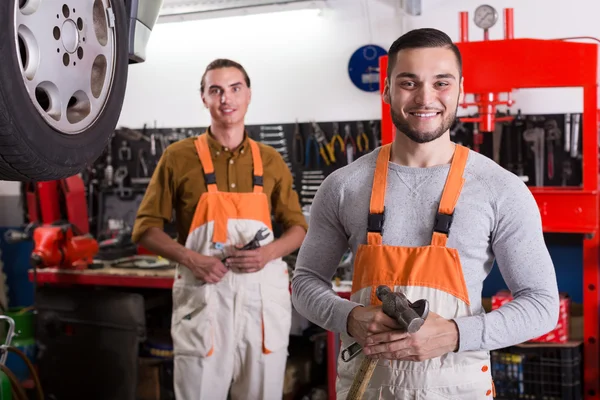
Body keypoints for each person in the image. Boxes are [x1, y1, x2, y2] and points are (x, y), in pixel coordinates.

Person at [291, 28, 560, 399]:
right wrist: (349, 318)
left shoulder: (500, 189)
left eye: (441, 83)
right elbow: (304, 283)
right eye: (408, 82)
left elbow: (541, 304)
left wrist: (454, 334)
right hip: (368, 388)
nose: (425, 97)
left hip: (457, 387)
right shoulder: (343, 186)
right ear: (386, 89)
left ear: (461, 90)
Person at [132, 58, 307, 399]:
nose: (226, 98)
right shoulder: (177, 157)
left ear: (248, 95)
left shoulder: (271, 160)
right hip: (205, 300)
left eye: (234, 88)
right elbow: (145, 228)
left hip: (261, 303)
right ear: (204, 98)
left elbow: (298, 227)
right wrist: (191, 259)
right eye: (216, 90)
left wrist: (268, 253)